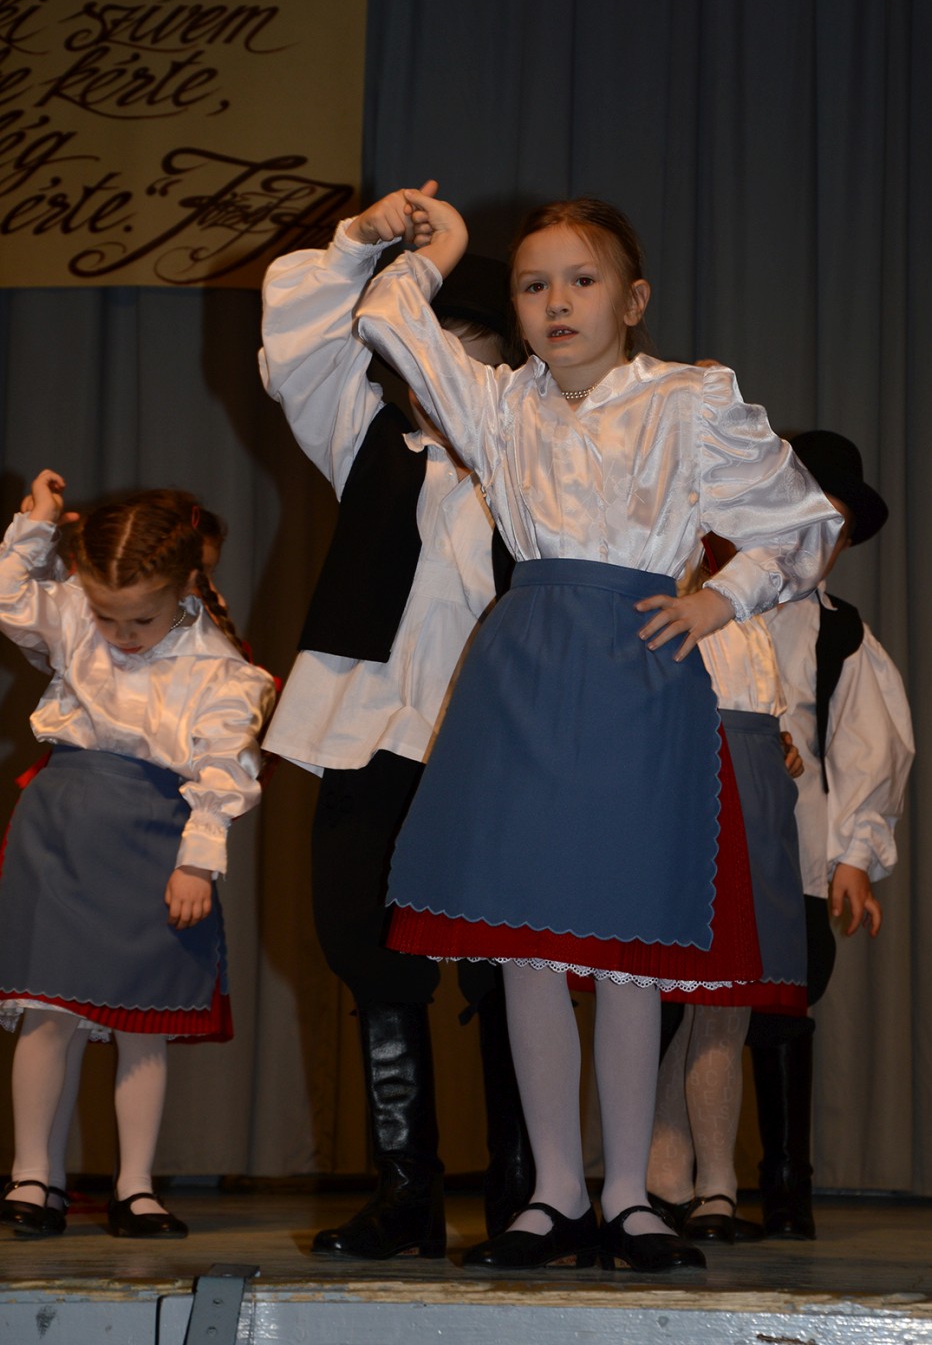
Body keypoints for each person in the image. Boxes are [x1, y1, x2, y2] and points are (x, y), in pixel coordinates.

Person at [353, 188, 843, 1273]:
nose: (557, 302)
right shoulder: (497, 405)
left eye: (582, 281)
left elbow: (805, 523)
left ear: (633, 298)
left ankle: (630, 1196)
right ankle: (554, 1196)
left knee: (627, 948)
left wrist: (722, 600)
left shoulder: (687, 399)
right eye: (535, 286)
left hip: (637, 673)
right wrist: (439, 248)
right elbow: (387, 316)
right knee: (527, 949)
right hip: (524, 673)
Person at [259, 187, 532, 1261]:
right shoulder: (366, 441)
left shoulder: (537, 464)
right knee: (363, 946)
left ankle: (527, 1193)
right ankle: (406, 1194)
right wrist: (361, 242)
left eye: (460, 358)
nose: (433, 379)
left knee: (509, 964)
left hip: (496, 746)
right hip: (368, 734)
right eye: (416, 358)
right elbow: (298, 344)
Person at [0, 472, 276, 1240]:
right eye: (106, 615)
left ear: (187, 585)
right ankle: (33, 1176)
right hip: (62, 831)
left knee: (141, 1019)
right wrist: (33, 528)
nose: (120, 633)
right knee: (48, 1011)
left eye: (141, 618)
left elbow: (226, 769)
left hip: (154, 839)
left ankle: (135, 1187)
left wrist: (198, 861)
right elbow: (11, 598)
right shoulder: (73, 615)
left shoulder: (220, 669)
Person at [753, 429, 915, 1239]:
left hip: (798, 853)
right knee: (685, 1009)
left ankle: (787, 1189)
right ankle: (682, 1187)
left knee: (785, 1004)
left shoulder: (840, 632)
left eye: (840, 530)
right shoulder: (713, 602)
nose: (823, 541)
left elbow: (867, 744)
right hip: (706, 845)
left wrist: (855, 855)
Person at [647, 536, 807, 1246]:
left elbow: (758, 685)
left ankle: (668, 1179)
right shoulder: (676, 566)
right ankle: (712, 1186)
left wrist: (778, 743)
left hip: (754, 767)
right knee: (716, 992)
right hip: (702, 765)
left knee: (717, 998)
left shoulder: (752, 578)